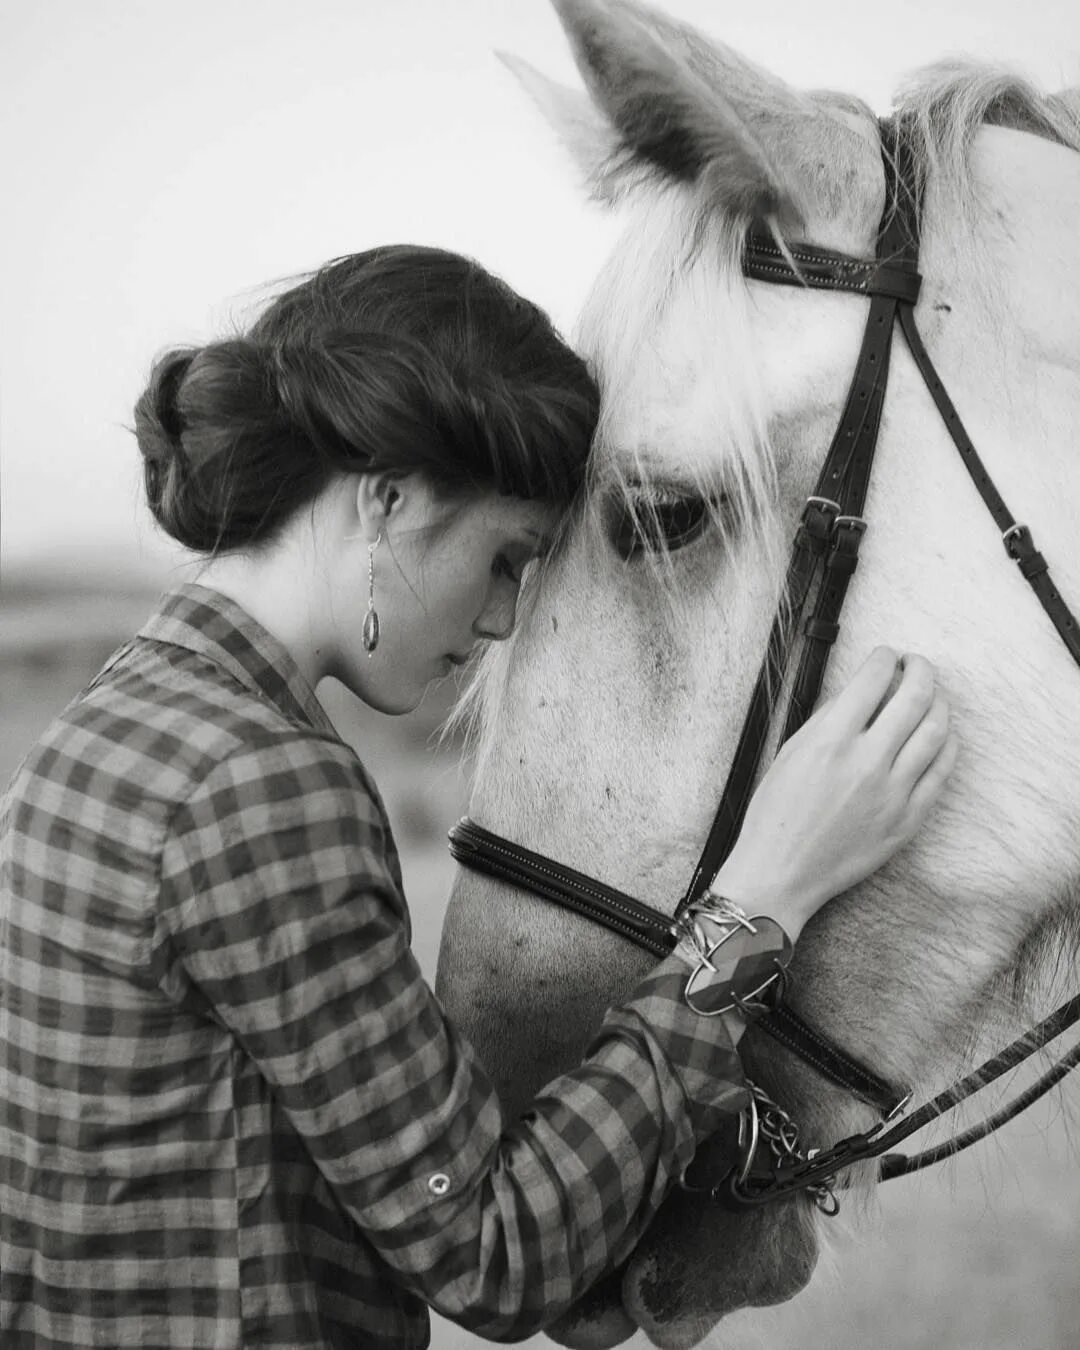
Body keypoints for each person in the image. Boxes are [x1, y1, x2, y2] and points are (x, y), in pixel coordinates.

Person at [0, 244, 957, 1350]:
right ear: (389, 498)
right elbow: (495, 1252)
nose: (504, 620)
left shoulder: (109, 728)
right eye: (508, 557)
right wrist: (764, 897)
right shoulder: (259, 790)